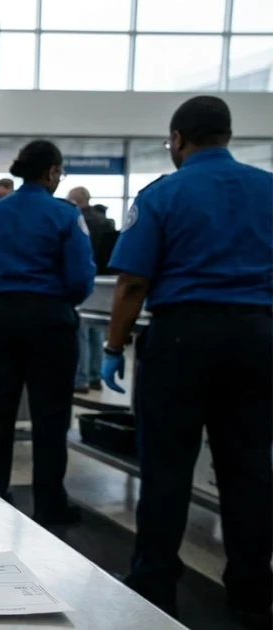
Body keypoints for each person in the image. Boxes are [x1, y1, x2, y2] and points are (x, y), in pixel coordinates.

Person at [101, 95, 272, 625]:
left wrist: (113, 348)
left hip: (182, 340)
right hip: (256, 339)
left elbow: (132, 283)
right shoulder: (268, 189)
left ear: (177, 139)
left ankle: (154, 587)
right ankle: (252, 593)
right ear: (227, 135)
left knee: (166, 468)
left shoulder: (161, 194)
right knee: (249, 469)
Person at [0, 140, 95, 527]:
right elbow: (80, 278)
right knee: (50, 413)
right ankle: (49, 505)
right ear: (52, 171)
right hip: (49, 319)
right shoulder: (66, 215)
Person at [66, 186, 116, 393]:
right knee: (98, 330)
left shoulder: (76, 221)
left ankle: (81, 379)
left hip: (84, 277)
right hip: (105, 280)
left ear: (74, 201)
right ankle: (96, 376)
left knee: (82, 331)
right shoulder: (106, 221)